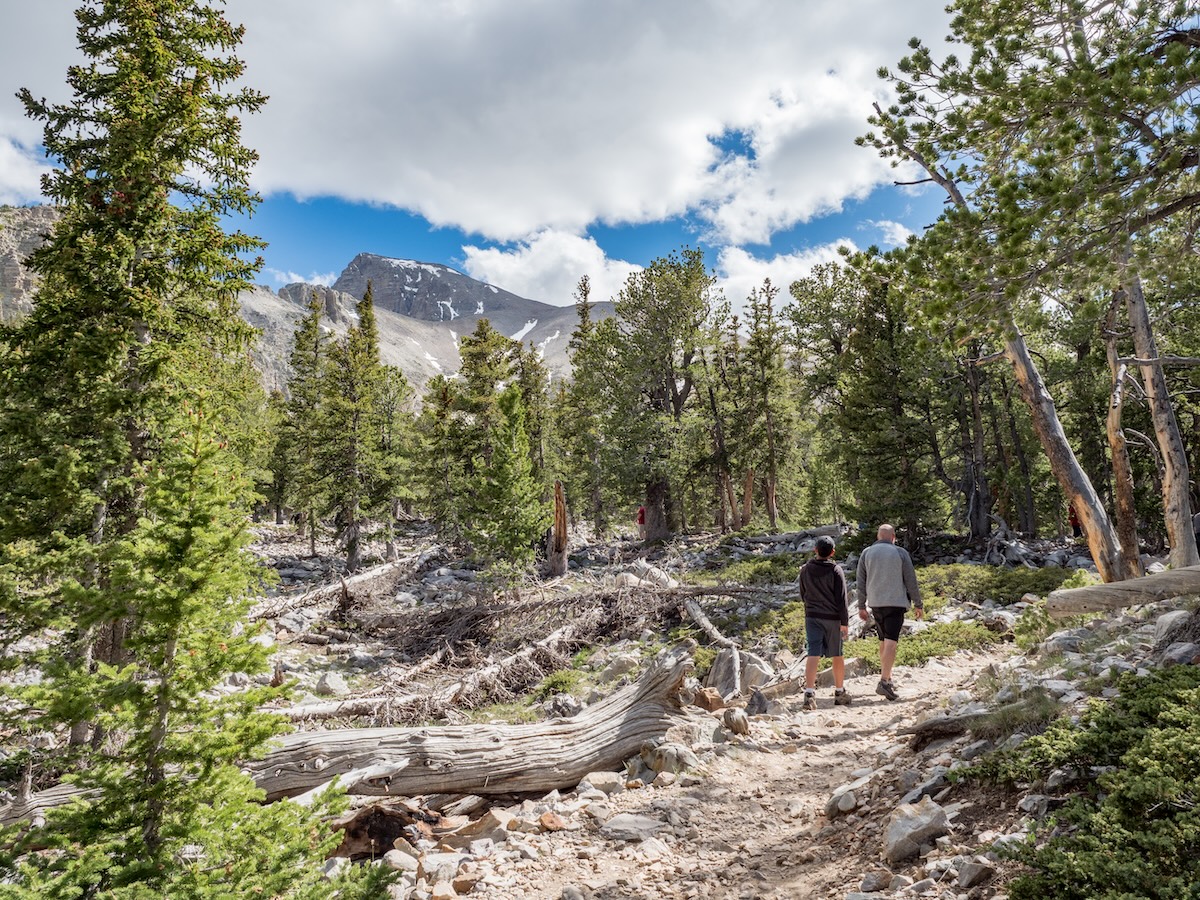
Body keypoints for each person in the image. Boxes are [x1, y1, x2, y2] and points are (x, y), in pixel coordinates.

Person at [856, 524, 923, 701]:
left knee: (882, 640)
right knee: (891, 642)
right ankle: (884, 681)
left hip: (876, 603)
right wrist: (918, 603)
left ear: (879, 536)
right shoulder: (900, 553)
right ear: (893, 536)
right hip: (896, 603)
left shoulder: (867, 553)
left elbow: (860, 581)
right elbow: (911, 580)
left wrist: (861, 606)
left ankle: (888, 676)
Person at [798, 535, 851, 710]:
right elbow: (841, 599)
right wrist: (844, 622)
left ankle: (809, 692)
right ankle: (839, 691)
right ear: (832, 552)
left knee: (813, 652)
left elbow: (803, 593)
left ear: (815, 550)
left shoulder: (805, 569)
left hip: (812, 616)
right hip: (832, 617)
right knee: (837, 653)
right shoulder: (836, 571)